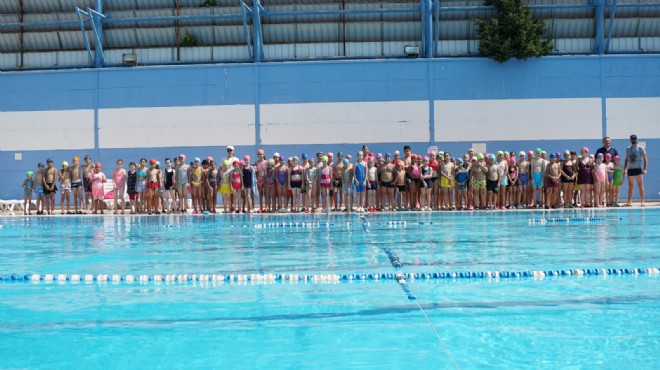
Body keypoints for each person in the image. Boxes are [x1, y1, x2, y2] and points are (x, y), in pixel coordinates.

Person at [624, 134, 648, 207]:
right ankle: (629, 201)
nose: (634, 140)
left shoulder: (641, 148)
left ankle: (642, 201)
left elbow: (645, 159)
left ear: (637, 139)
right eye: (632, 139)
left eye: (635, 139)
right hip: (630, 169)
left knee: (640, 184)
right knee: (631, 185)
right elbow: (627, 159)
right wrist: (625, 169)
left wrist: (645, 169)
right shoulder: (628, 149)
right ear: (630, 140)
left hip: (638, 169)